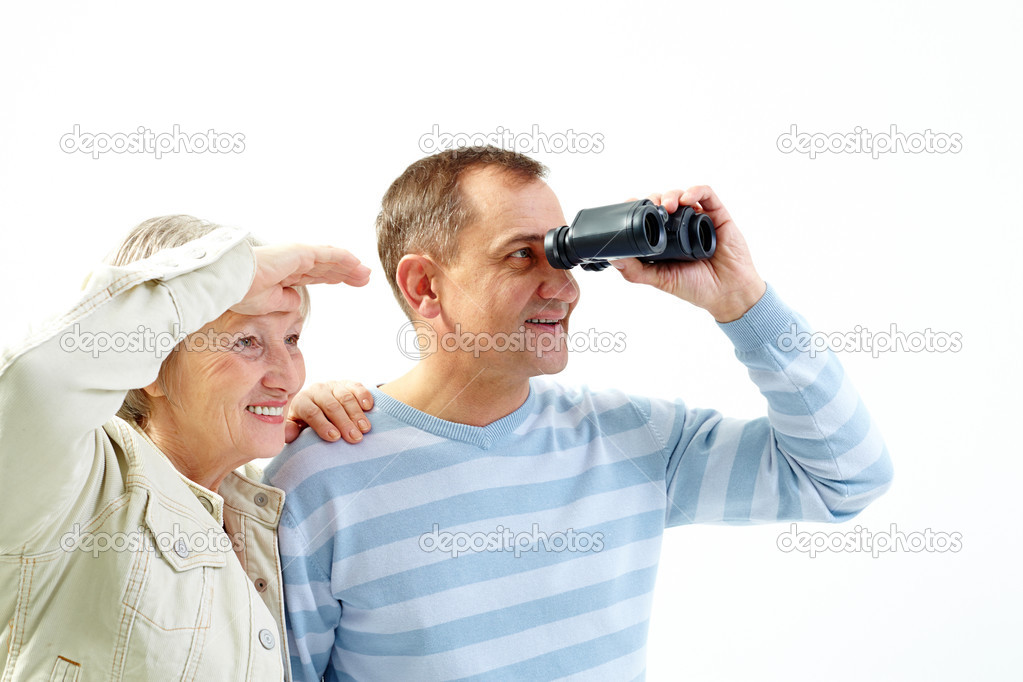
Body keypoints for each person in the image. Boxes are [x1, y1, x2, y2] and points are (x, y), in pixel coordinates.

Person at [266, 147, 894, 681]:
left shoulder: (635, 439)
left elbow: (844, 478)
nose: (564, 286)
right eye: (520, 255)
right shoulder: (317, 480)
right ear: (425, 286)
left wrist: (745, 303)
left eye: (562, 254)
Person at [0, 215, 374, 680]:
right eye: (247, 341)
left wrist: (327, 437)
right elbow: (34, 380)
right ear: (150, 360)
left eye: (292, 339)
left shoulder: (265, 507)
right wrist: (226, 275)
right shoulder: (74, 484)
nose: (288, 377)